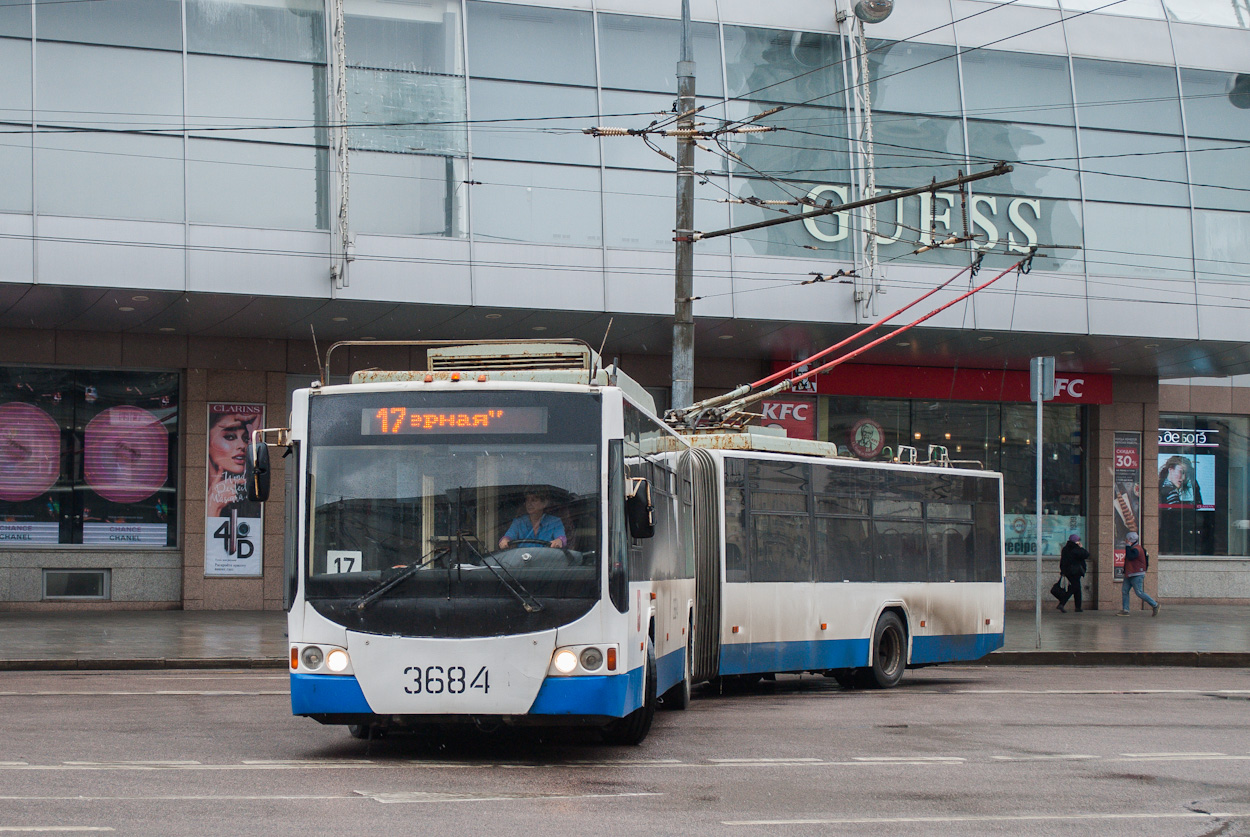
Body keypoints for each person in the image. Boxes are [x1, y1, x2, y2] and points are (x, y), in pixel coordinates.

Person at [207, 409, 261, 519]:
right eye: (230, 437)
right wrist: (213, 507)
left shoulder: (247, 497)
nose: (242, 445)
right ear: (207, 441)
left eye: (246, 438)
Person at [498, 488, 566, 549]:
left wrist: (559, 541)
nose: (529, 504)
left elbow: (562, 538)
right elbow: (508, 537)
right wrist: (505, 540)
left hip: (546, 558)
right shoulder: (518, 522)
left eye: (534, 500)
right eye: (527, 500)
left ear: (544, 503)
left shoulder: (555, 522)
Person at [1117, 531, 1159, 616]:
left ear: (1130, 540)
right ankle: (1125, 609)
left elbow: (1130, 556)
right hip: (1129, 573)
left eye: (1127, 539)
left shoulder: (1136, 549)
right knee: (1125, 591)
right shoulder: (1134, 547)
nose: (1125, 540)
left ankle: (1155, 604)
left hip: (1137, 574)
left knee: (1139, 592)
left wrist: (1127, 546)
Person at [1056, 533, 1088, 613]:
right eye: (1078, 540)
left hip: (1068, 571)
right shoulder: (1075, 549)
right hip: (1075, 571)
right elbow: (1086, 555)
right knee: (1074, 587)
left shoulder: (1065, 548)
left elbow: (1063, 561)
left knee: (1077, 588)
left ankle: (1078, 607)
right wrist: (1081, 547)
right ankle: (1062, 603)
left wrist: (1063, 571)